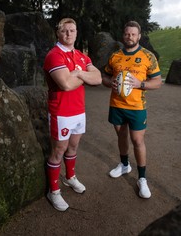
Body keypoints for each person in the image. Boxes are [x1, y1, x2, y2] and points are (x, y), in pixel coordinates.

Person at [43, 18, 102, 211]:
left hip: (79, 110)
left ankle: (69, 178)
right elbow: (65, 84)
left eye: (72, 30)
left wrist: (77, 74)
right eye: (64, 30)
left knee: (74, 146)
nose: (69, 34)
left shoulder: (81, 56)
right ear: (58, 33)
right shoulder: (54, 55)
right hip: (61, 112)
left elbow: (98, 78)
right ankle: (53, 191)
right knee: (58, 150)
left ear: (77, 33)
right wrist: (82, 76)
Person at [102, 21, 162, 199]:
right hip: (117, 105)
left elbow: (158, 82)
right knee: (121, 136)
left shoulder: (147, 56)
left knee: (137, 141)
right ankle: (124, 165)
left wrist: (140, 84)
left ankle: (142, 178)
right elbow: (104, 76)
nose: (130, 37)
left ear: (139, 36)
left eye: (133, 34)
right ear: (124, 35)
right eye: (127, 34)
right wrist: (109, 82)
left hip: (137, 107)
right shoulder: (115, 56)